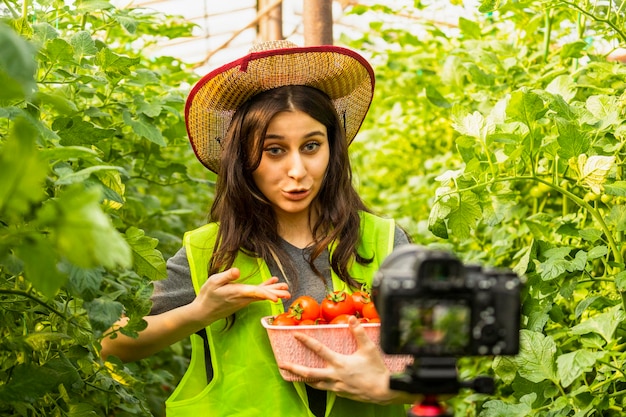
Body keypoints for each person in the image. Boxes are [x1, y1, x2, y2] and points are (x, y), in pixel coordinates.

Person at [100, 40, 423, 417]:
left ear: (332, 149)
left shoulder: (383, 242)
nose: (297, 171)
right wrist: (199, 312)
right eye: (274, 150)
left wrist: (387, 387)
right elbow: (111, 341)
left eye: (311, 146)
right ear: (245, 157)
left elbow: (445, 367)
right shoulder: (210, 252)